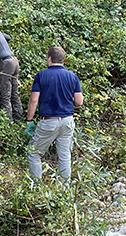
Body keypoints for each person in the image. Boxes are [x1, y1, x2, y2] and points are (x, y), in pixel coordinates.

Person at [25, 46, 83, 180]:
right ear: (63, 60)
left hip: (48, 121)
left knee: (34, 152)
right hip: (67, 121)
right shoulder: (72, 76)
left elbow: (34, 101)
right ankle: (65, 189)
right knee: (64, 155)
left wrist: (29, 120)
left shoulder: (41, 75)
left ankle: (37, 187)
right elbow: (79, 102)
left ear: (49, 58)